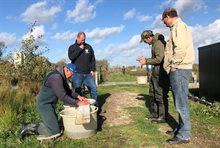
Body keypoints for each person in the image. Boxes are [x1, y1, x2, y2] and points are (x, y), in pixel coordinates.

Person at [19, 63, 89, 140]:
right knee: (54, 131)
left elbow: (68, 91)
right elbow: (62, 96)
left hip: (50, 105)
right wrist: (77, 103)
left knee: (55, 125)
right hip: (44, 106)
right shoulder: (56, 78)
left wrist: (78, 96)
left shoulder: (61, 76)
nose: (72, 76)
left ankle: (40, 124)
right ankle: (27, 127)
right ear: (66, 70)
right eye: (72, 74)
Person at [162, 8, 195, 144]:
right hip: (178, 68)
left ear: (168, 16)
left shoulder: (179, 27)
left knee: (181, 103)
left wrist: (174, 65)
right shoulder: (176, 27)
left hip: (180, 69)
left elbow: (180, 48)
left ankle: (184, 135)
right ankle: (181, 128)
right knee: (179, 101)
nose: (163, 22)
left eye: (163, 19)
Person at [137, 30, 169, 124]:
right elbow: (156, 59)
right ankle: (155, 113)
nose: (145, 43)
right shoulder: (154, 43)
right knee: (152, 92)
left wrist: (146, 62)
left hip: (161, 72)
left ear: (148, 37)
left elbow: (160, 59)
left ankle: (162, 117)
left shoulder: (158, 43)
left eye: (145, 41)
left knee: (160, 94)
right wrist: (145, 60)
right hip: (156, 72)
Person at [68, 32, 98, 107]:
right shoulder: (72, 47)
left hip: (88, 74)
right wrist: (79, 49)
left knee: (93, 89)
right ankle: (82, 107)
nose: (83, 41)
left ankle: (95, 106)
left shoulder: (88, 47)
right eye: (81, 40)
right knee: (78, 92)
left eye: (84, 40)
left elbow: (93, 59)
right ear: (77, 38)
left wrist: (93, 70)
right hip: (77, 74)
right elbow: (71, 57)